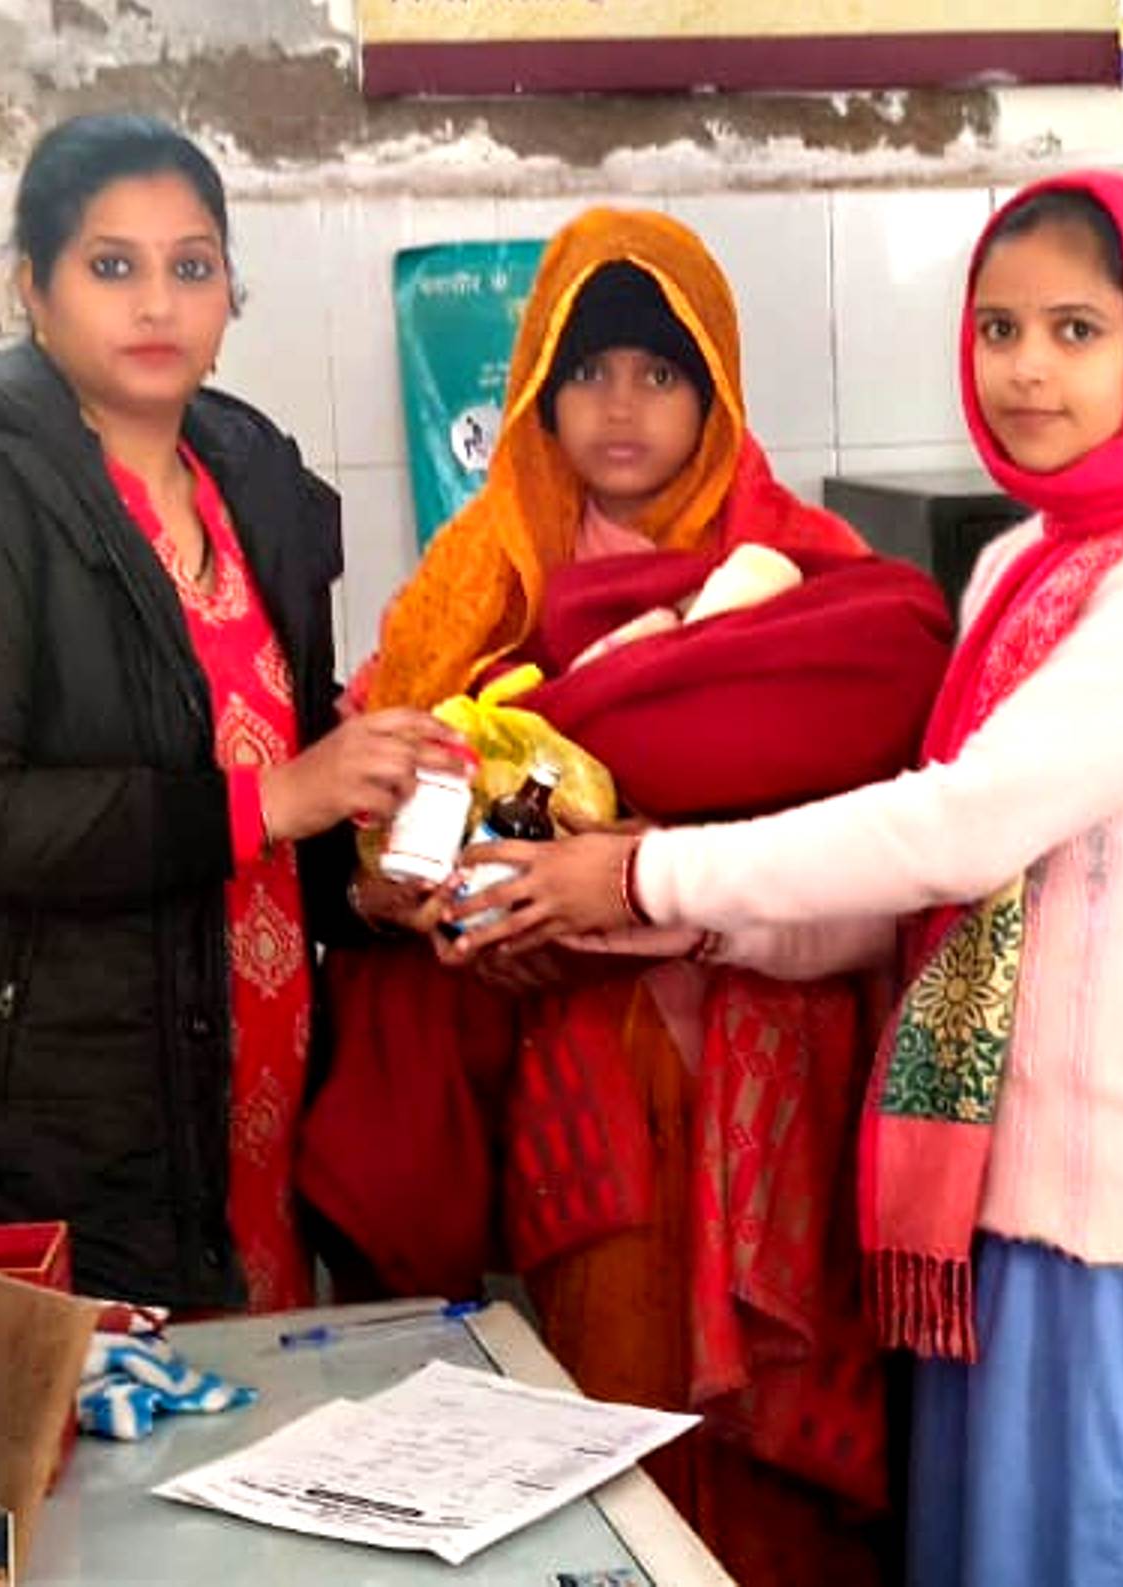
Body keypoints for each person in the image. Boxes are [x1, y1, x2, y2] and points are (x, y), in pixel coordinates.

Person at [445, 172, 1123, 1587]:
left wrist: (647, 871)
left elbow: (959, 827)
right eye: (998, 327)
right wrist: (666, 921)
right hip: (997, 1204)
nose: (1026, 369)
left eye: (1076, 330)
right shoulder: (1028, 560)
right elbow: (945, 906)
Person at [302, 208, 950, 1587]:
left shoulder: (808, 574)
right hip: (578, 1064)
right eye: (586, 371)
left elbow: (872, 823)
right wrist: (428, 903)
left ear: (715, 396)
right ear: (537, 393)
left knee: (781, 1457)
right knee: (610, 1414)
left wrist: (644, 866)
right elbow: (383, 820)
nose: (619, 405)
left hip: (769, 1046)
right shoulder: (480, 584)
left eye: (660, 374)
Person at [0, 113, 457, 1314]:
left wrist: (366, 886)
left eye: (193, 265)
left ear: (230, 294)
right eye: (112, 265)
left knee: (248, 1420)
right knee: (61, 1438)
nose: (158, 303)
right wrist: (279, 798)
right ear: (33, 288)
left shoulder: (252, 480)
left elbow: (279, 772)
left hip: (245, 1132)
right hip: (46, 1145)